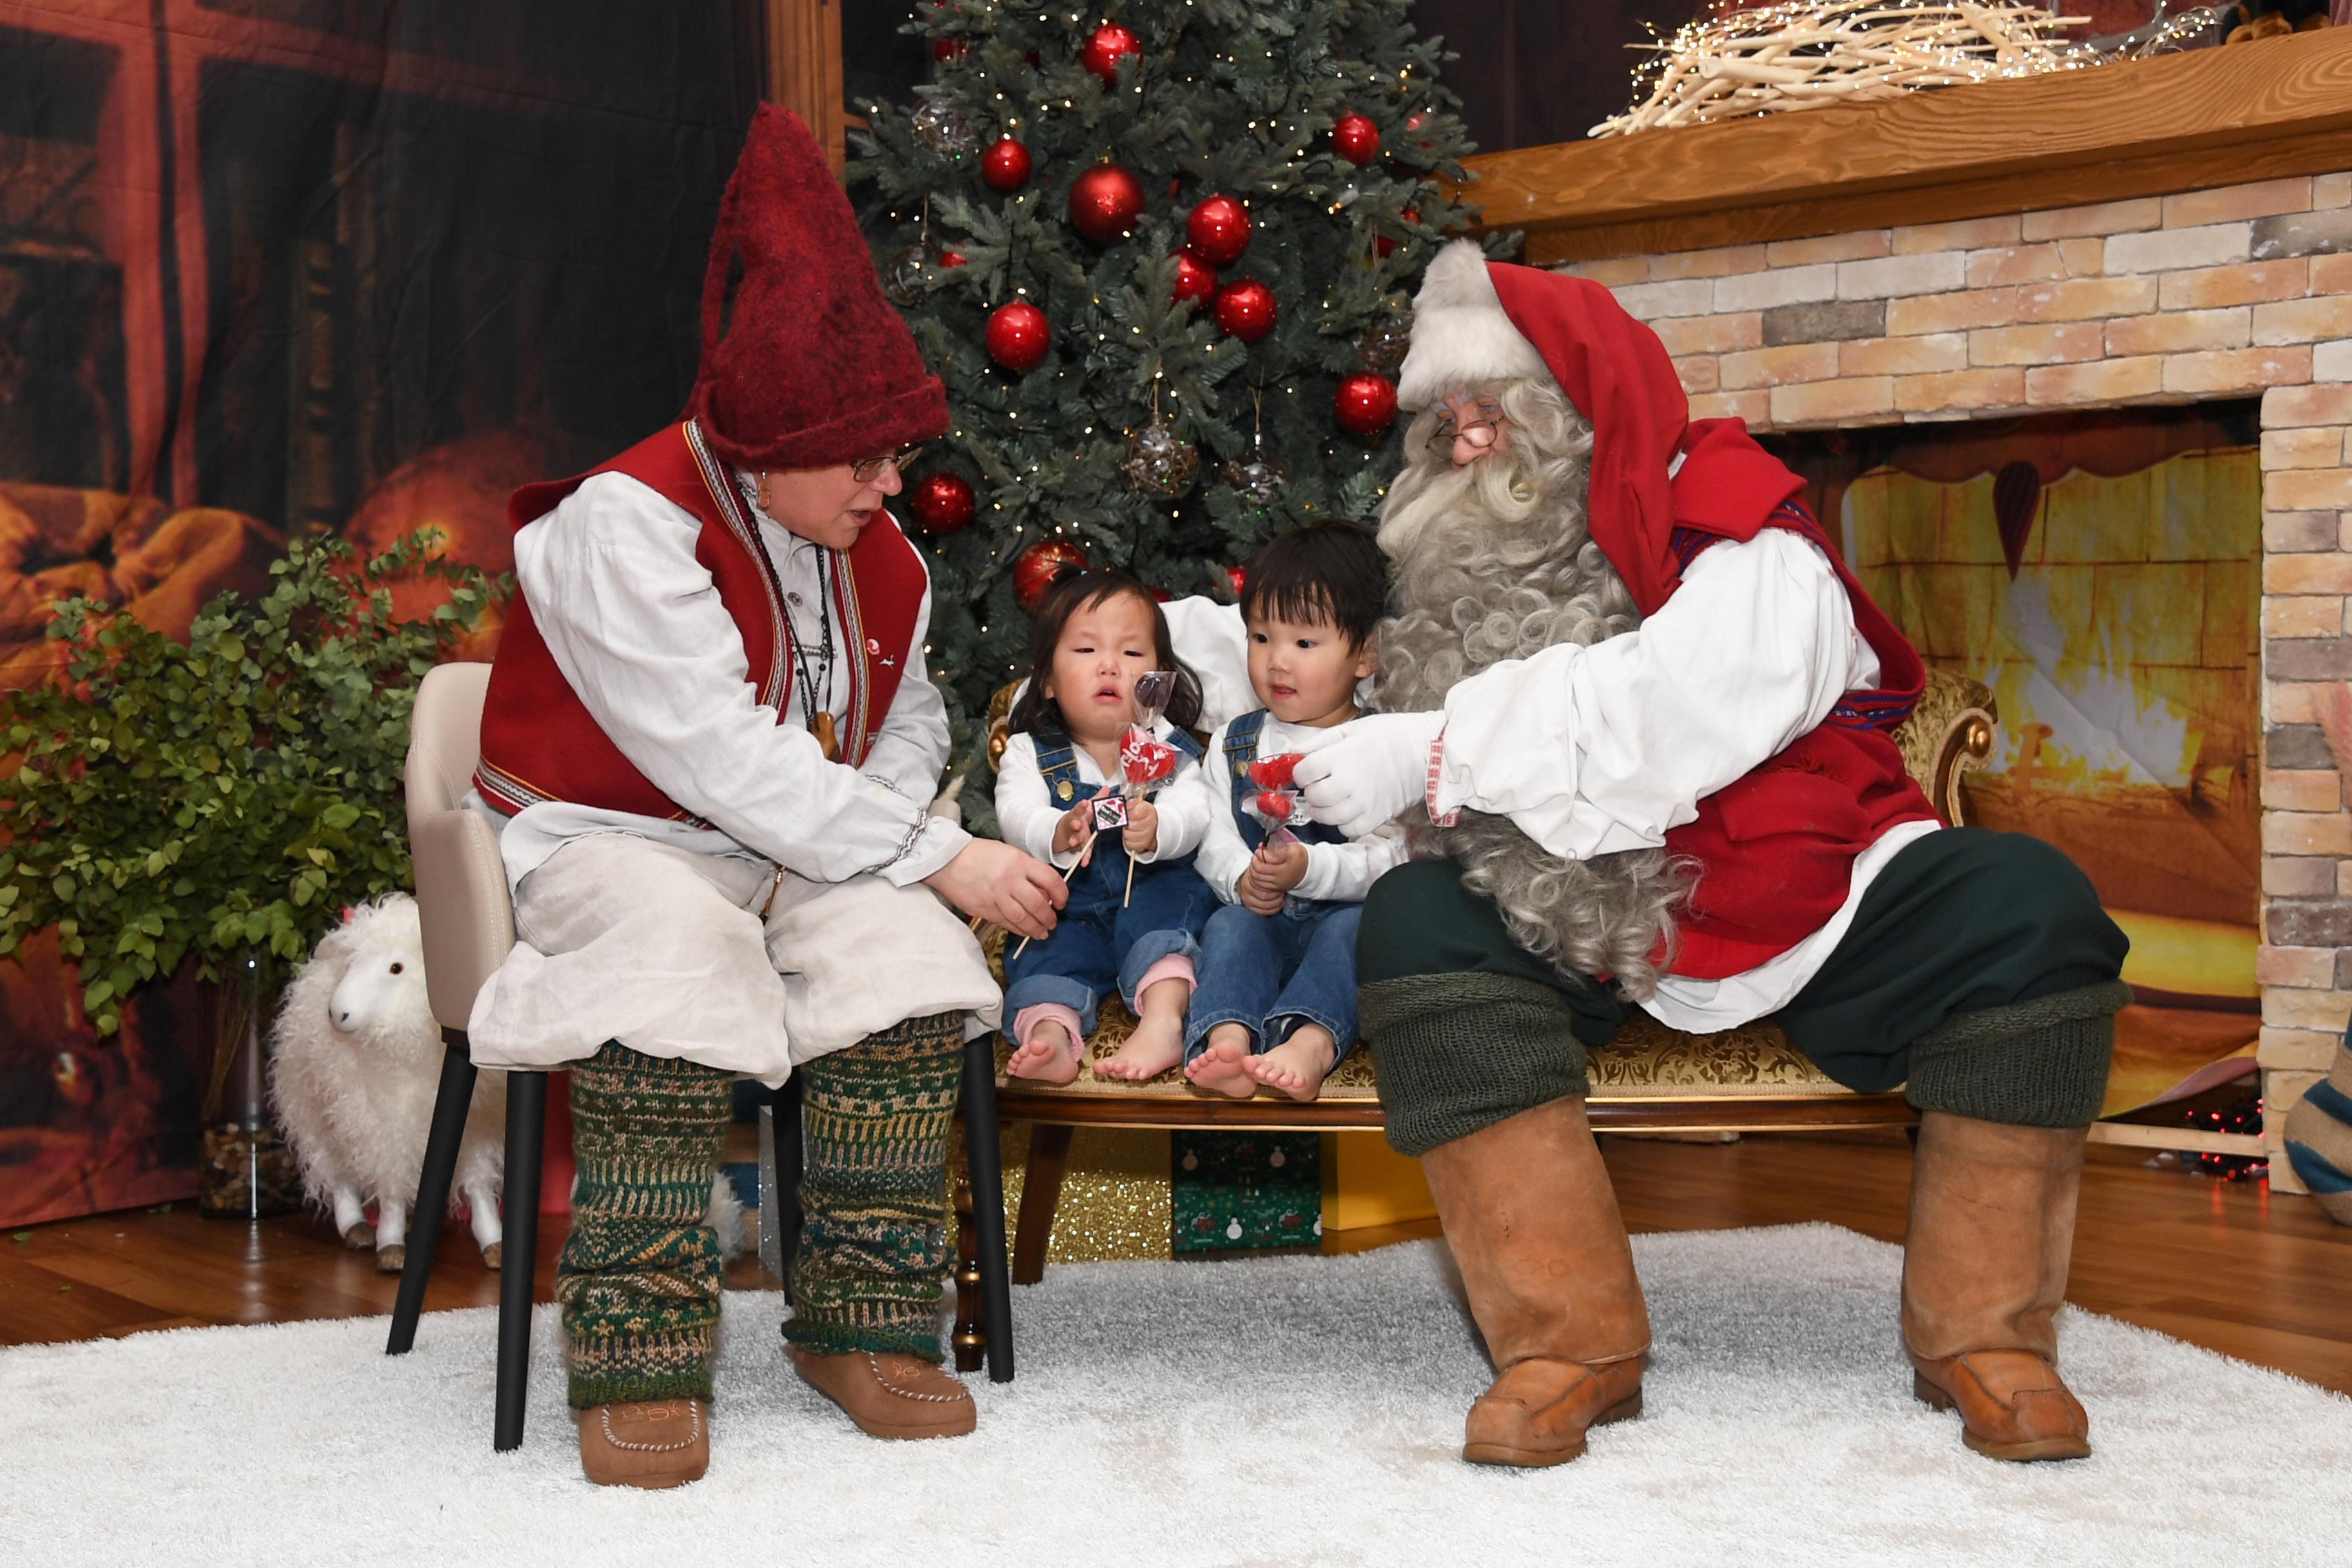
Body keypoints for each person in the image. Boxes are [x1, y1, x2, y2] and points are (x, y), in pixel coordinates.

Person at [1293, 241, 2130, 1468]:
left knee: (2030, 905)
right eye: (1444, 424)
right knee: (1417, 922)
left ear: (1580, 412)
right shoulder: (1442, 577)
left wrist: (1435, 750)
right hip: (1562, 911)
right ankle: (1564, 1342)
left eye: (1490, 415)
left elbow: (1676, 709)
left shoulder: (1743, 522)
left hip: (1803, 892)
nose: (1463, 448)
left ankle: (1986, 1337)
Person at [460, 106, 1068, 1489]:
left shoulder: (881, 551)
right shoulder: (623, 525)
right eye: (861, 457)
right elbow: (717, 755)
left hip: (799, 846)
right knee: (676, 956)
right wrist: (931, 847)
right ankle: (639, 1350)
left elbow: (904, 721)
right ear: (765, 443)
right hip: (613, 838)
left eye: (895, 451)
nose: (890, 480)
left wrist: (905, 843)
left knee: (912, 953)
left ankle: (860, 1323)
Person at [1167, 524, 1406, 1102]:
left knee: (1354, 933)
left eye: (1304, 644)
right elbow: (1211, 832)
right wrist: (1240, 878)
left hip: (1341, 916)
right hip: (1264, 918)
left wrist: (1312, 871)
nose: (1277, 662)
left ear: (1366, 655)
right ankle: (1228, 1037)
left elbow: (1394, 854)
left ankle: (1310, 1040)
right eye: (1261, 637)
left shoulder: (1383, 746)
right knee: (1230, 926)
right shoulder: (1235, 741)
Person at [994, 569, 1217, 1085]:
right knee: (1045, 949)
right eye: (1087, 651)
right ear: (1047, 680)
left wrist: (1161, 828)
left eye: (1133, 654)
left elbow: (1196, 810)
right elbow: (1016, 813)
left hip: (1153, 885)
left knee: (1169, 918)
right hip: (1069, 903)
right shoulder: (1030, 752)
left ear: (1161, 681)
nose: (1111, 666)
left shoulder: (1168, 749)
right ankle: (1051, 1034)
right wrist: (1056, 831)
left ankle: (1163, 1020)